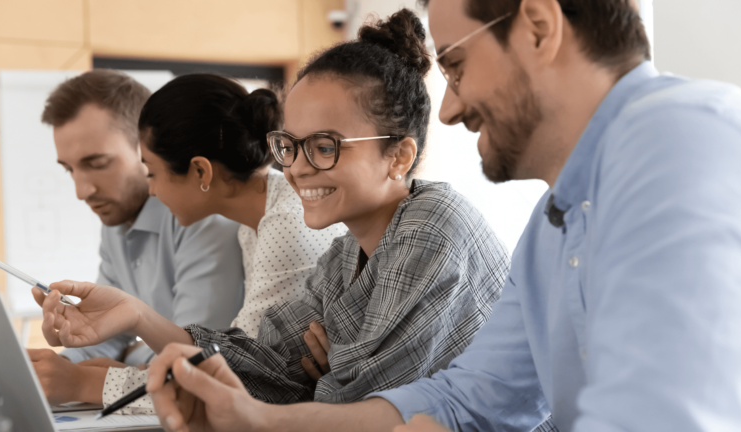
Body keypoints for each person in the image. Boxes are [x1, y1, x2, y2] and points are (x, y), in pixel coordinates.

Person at [113, 0, 741, 431]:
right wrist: (258, 419)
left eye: (457, 66)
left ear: (538, 25)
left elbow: (659, 414)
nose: (446, 109)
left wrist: (319, 388)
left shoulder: (677, 137)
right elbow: (465, 397)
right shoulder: (553, 223)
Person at [34, 8, 513, 418]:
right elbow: (262, 365)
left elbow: (366, 407)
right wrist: (136, 313)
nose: (298, 169)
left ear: (399, 157)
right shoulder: (344, 257)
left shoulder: (433, 227)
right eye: (290, 145)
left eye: (324, 147)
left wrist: (326, 374)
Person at [34, 73, 348, 409]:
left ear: (201, 172)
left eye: (152, 172)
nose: (151, 190)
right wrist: (131, 329)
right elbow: (234, 355)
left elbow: (239, 372)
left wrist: (90, 382)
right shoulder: (252, 224)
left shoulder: (284, 224)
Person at [29, 70, 246, 405]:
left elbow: (196, 359)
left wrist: (115, 364)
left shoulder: (204, 214)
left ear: (147, 147)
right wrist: (51, 369)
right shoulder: (115, 221)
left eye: (97, 163)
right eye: (69, 169)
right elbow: (108, 338)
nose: (81, 191)